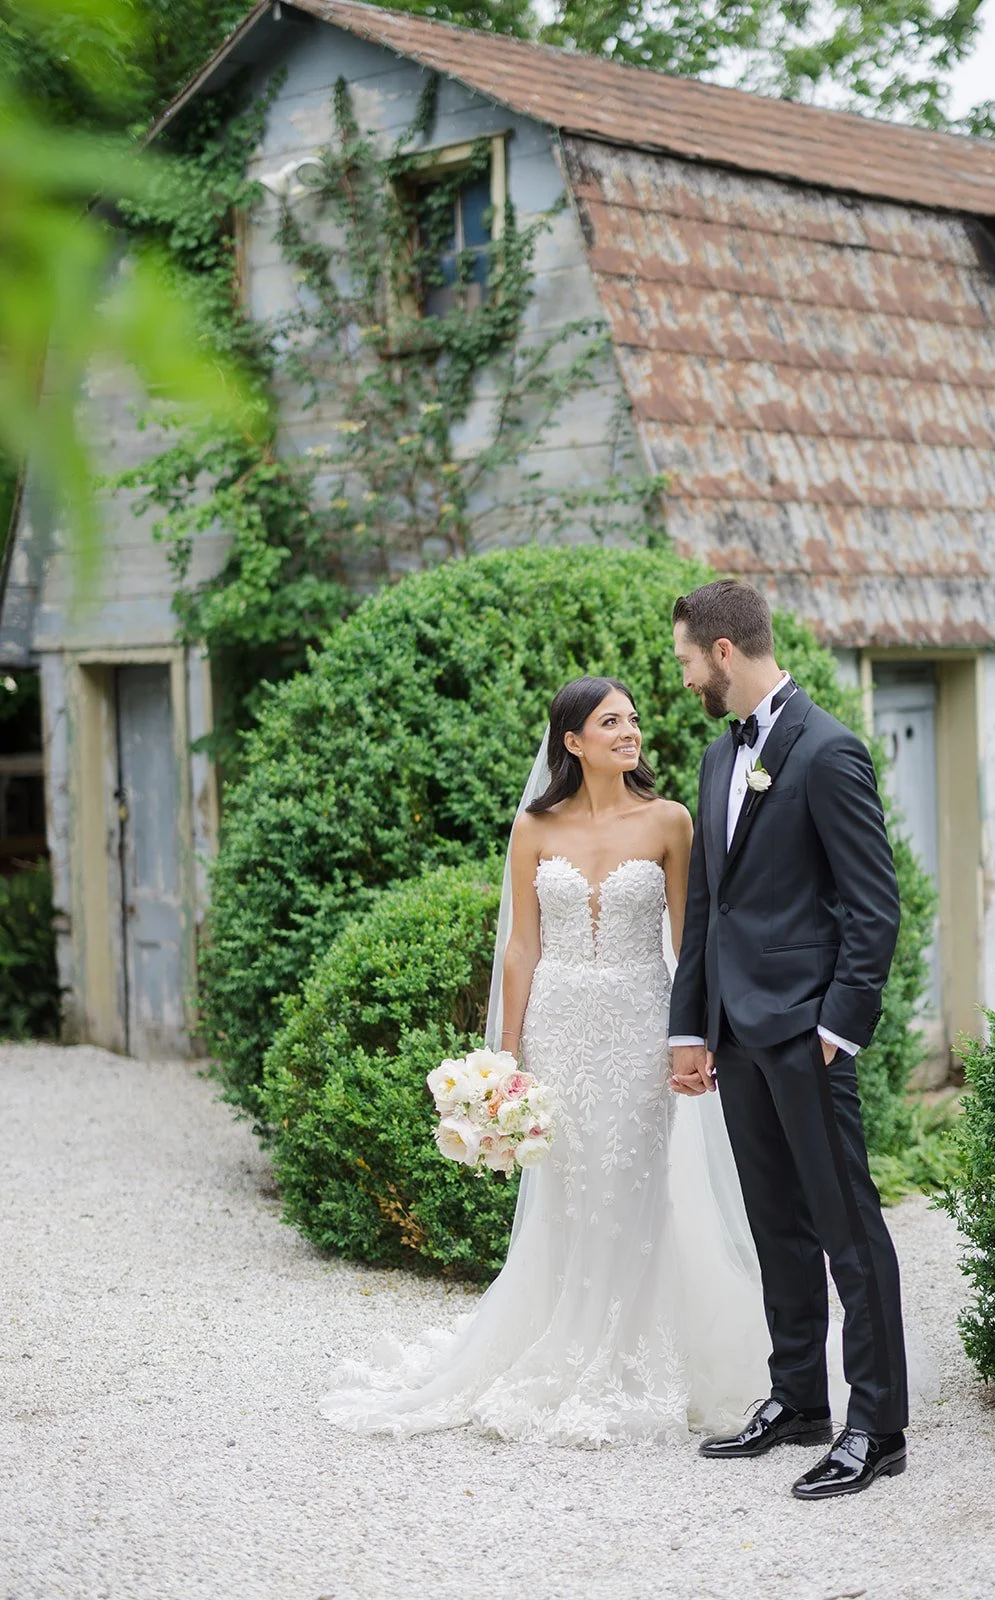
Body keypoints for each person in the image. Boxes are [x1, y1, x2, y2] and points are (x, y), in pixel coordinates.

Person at [320, 675, 780, 1445]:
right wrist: (506, 1058)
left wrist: (694, 1033)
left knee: (633, 1180)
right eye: (610, 722)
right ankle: (556, 1334)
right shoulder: (533, 829)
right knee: (567, 1186)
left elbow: (687, 942)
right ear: (572, 742)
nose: (629, 732)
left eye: (632, 720)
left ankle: (632, 1354)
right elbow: (522, 945)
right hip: (558, 1030)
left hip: (639, 1022)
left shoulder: (669, 822)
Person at [668, 578, 910, 1500]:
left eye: (688, 659)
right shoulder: (715, 757)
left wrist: (839, 1027)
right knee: (775, 1226)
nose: (684, 675)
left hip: (806, 1033)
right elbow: (709, 911)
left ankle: (877, 1427)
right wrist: (691, 1027)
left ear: (723, 652)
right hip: (735, 1033)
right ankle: (799, 1398)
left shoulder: (827, 752)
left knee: (847, 1229)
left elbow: (872, 908)